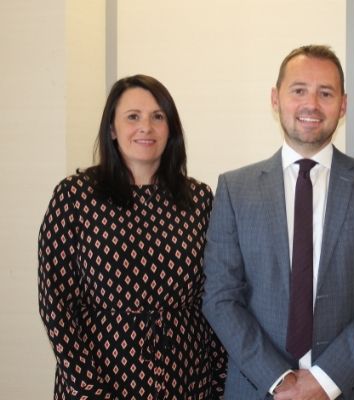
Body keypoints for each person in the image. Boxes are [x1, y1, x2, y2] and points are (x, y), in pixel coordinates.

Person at [202, 45, 354, 400]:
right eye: (298, 90)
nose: (311, 104)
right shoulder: (235, 189)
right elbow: (220, 298)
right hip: (258, 388)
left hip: (351, 387)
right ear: (275, 98)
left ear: (342, 105)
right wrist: (279, 380)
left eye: (325, 93)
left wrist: (325, 380)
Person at [38, 74, 226, 399]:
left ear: (171, 129)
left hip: (186, 376)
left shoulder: (199, 199)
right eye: (133, 117)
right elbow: (57, 304)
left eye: (158, 116)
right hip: (100, 374)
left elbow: (213, 297)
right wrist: (87, 388)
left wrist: (220, 380)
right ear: (112, 129)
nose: (146, 128)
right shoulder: (75, 196)